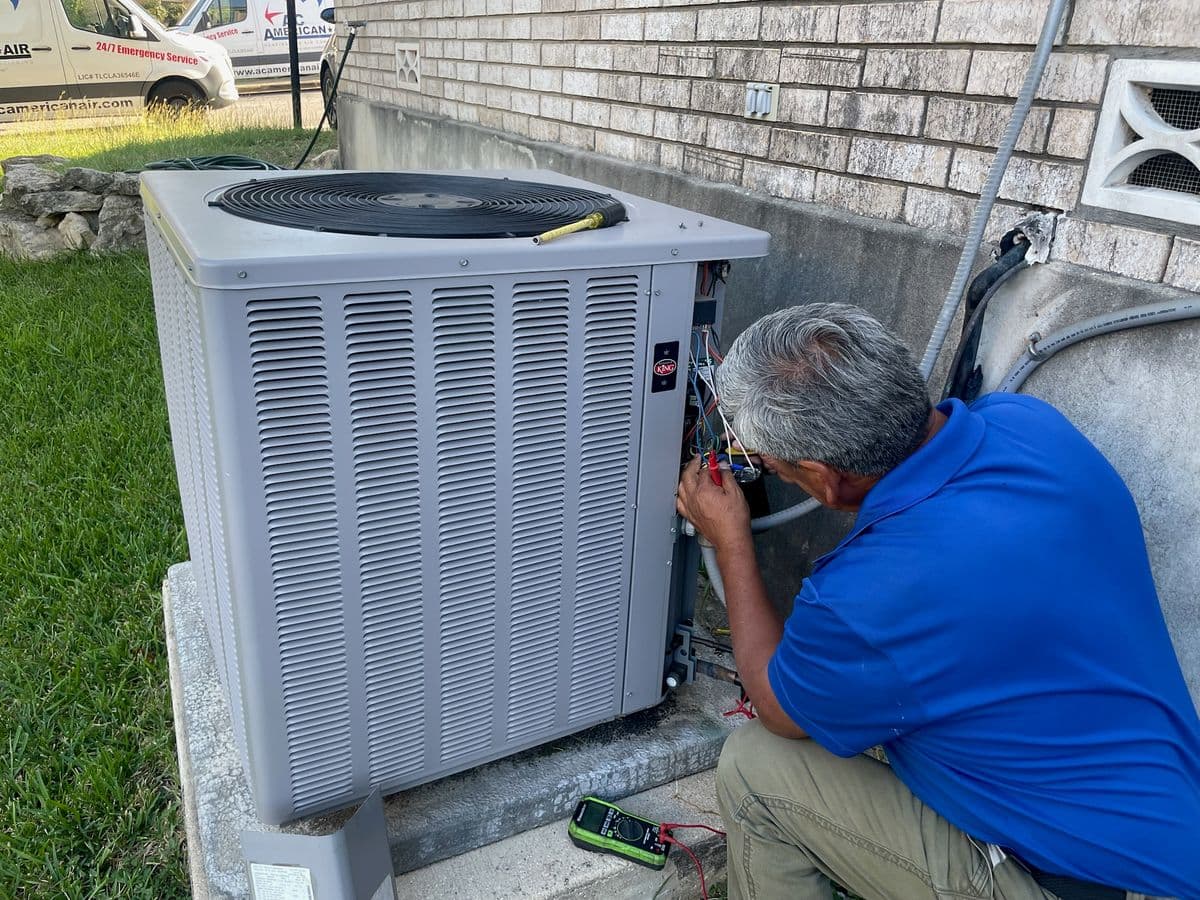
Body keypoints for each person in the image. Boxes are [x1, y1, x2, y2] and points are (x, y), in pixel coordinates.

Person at [675, 303, 1200, 900]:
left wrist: (732, 541)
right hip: (1176, 833)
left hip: (1070, 880)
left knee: (755, 768)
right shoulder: (1029, 425)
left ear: (827, 479)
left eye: (771, 467)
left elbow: (776, 705)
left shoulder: (871, 594)